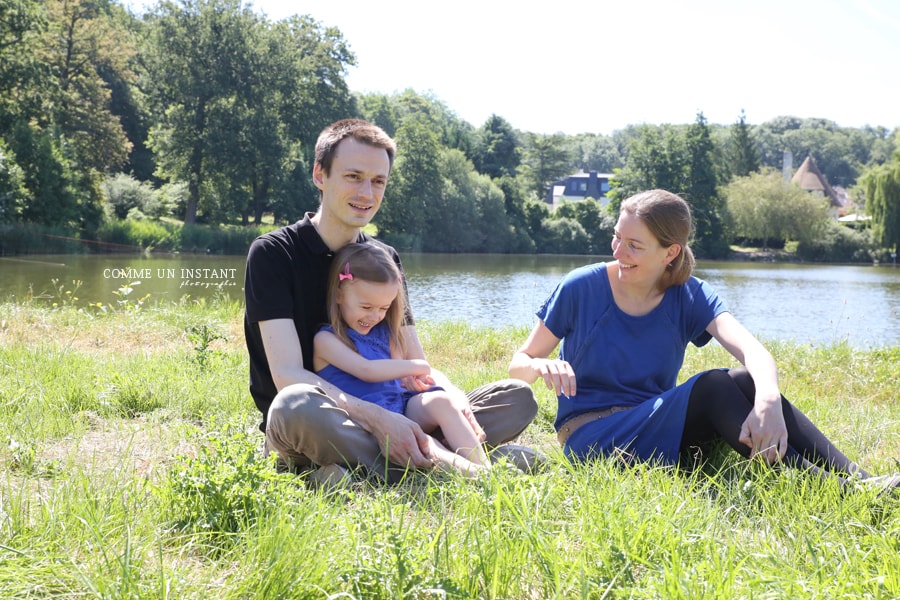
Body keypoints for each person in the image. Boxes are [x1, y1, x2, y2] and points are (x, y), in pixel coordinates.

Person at [508, 188, 898, 492]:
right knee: (712, 385)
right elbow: (517, 366)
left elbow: (752, 350)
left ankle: (862, 481)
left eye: (633, 245)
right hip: (592, 438)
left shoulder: (689, 294)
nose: (618, 251)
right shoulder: (581, 286)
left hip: (662, 431)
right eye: (617, 238)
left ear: (670, 252)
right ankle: (838, 491)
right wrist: (540, 364)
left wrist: (769, 399)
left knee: (745, 379)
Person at [243, 118, 538, 484]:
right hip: (324, 415)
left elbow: (413, 361)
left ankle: (380, 464)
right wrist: (376, 418)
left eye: (378, 181)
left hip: (396, 408)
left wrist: (450, 393)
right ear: (320, 175)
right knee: (295, 404)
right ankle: (453, 466)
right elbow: (288, 375)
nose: (367, 193)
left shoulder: (384, 259)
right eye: (353, 176)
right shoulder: (274, 253)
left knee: (516, 397)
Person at [313, 242, 489, 477]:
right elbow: (366, 370)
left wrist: (413, 381)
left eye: (384, 308)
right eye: (366, 306)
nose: (375, 316)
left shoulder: (387, 334)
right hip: (366, 423)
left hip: (400, 408)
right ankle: (476, 476)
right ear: (338, 294)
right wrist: (418, 366)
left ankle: (483, 463)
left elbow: (401, 380)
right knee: (422, 440)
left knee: (441, 402)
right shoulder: (325, 340)